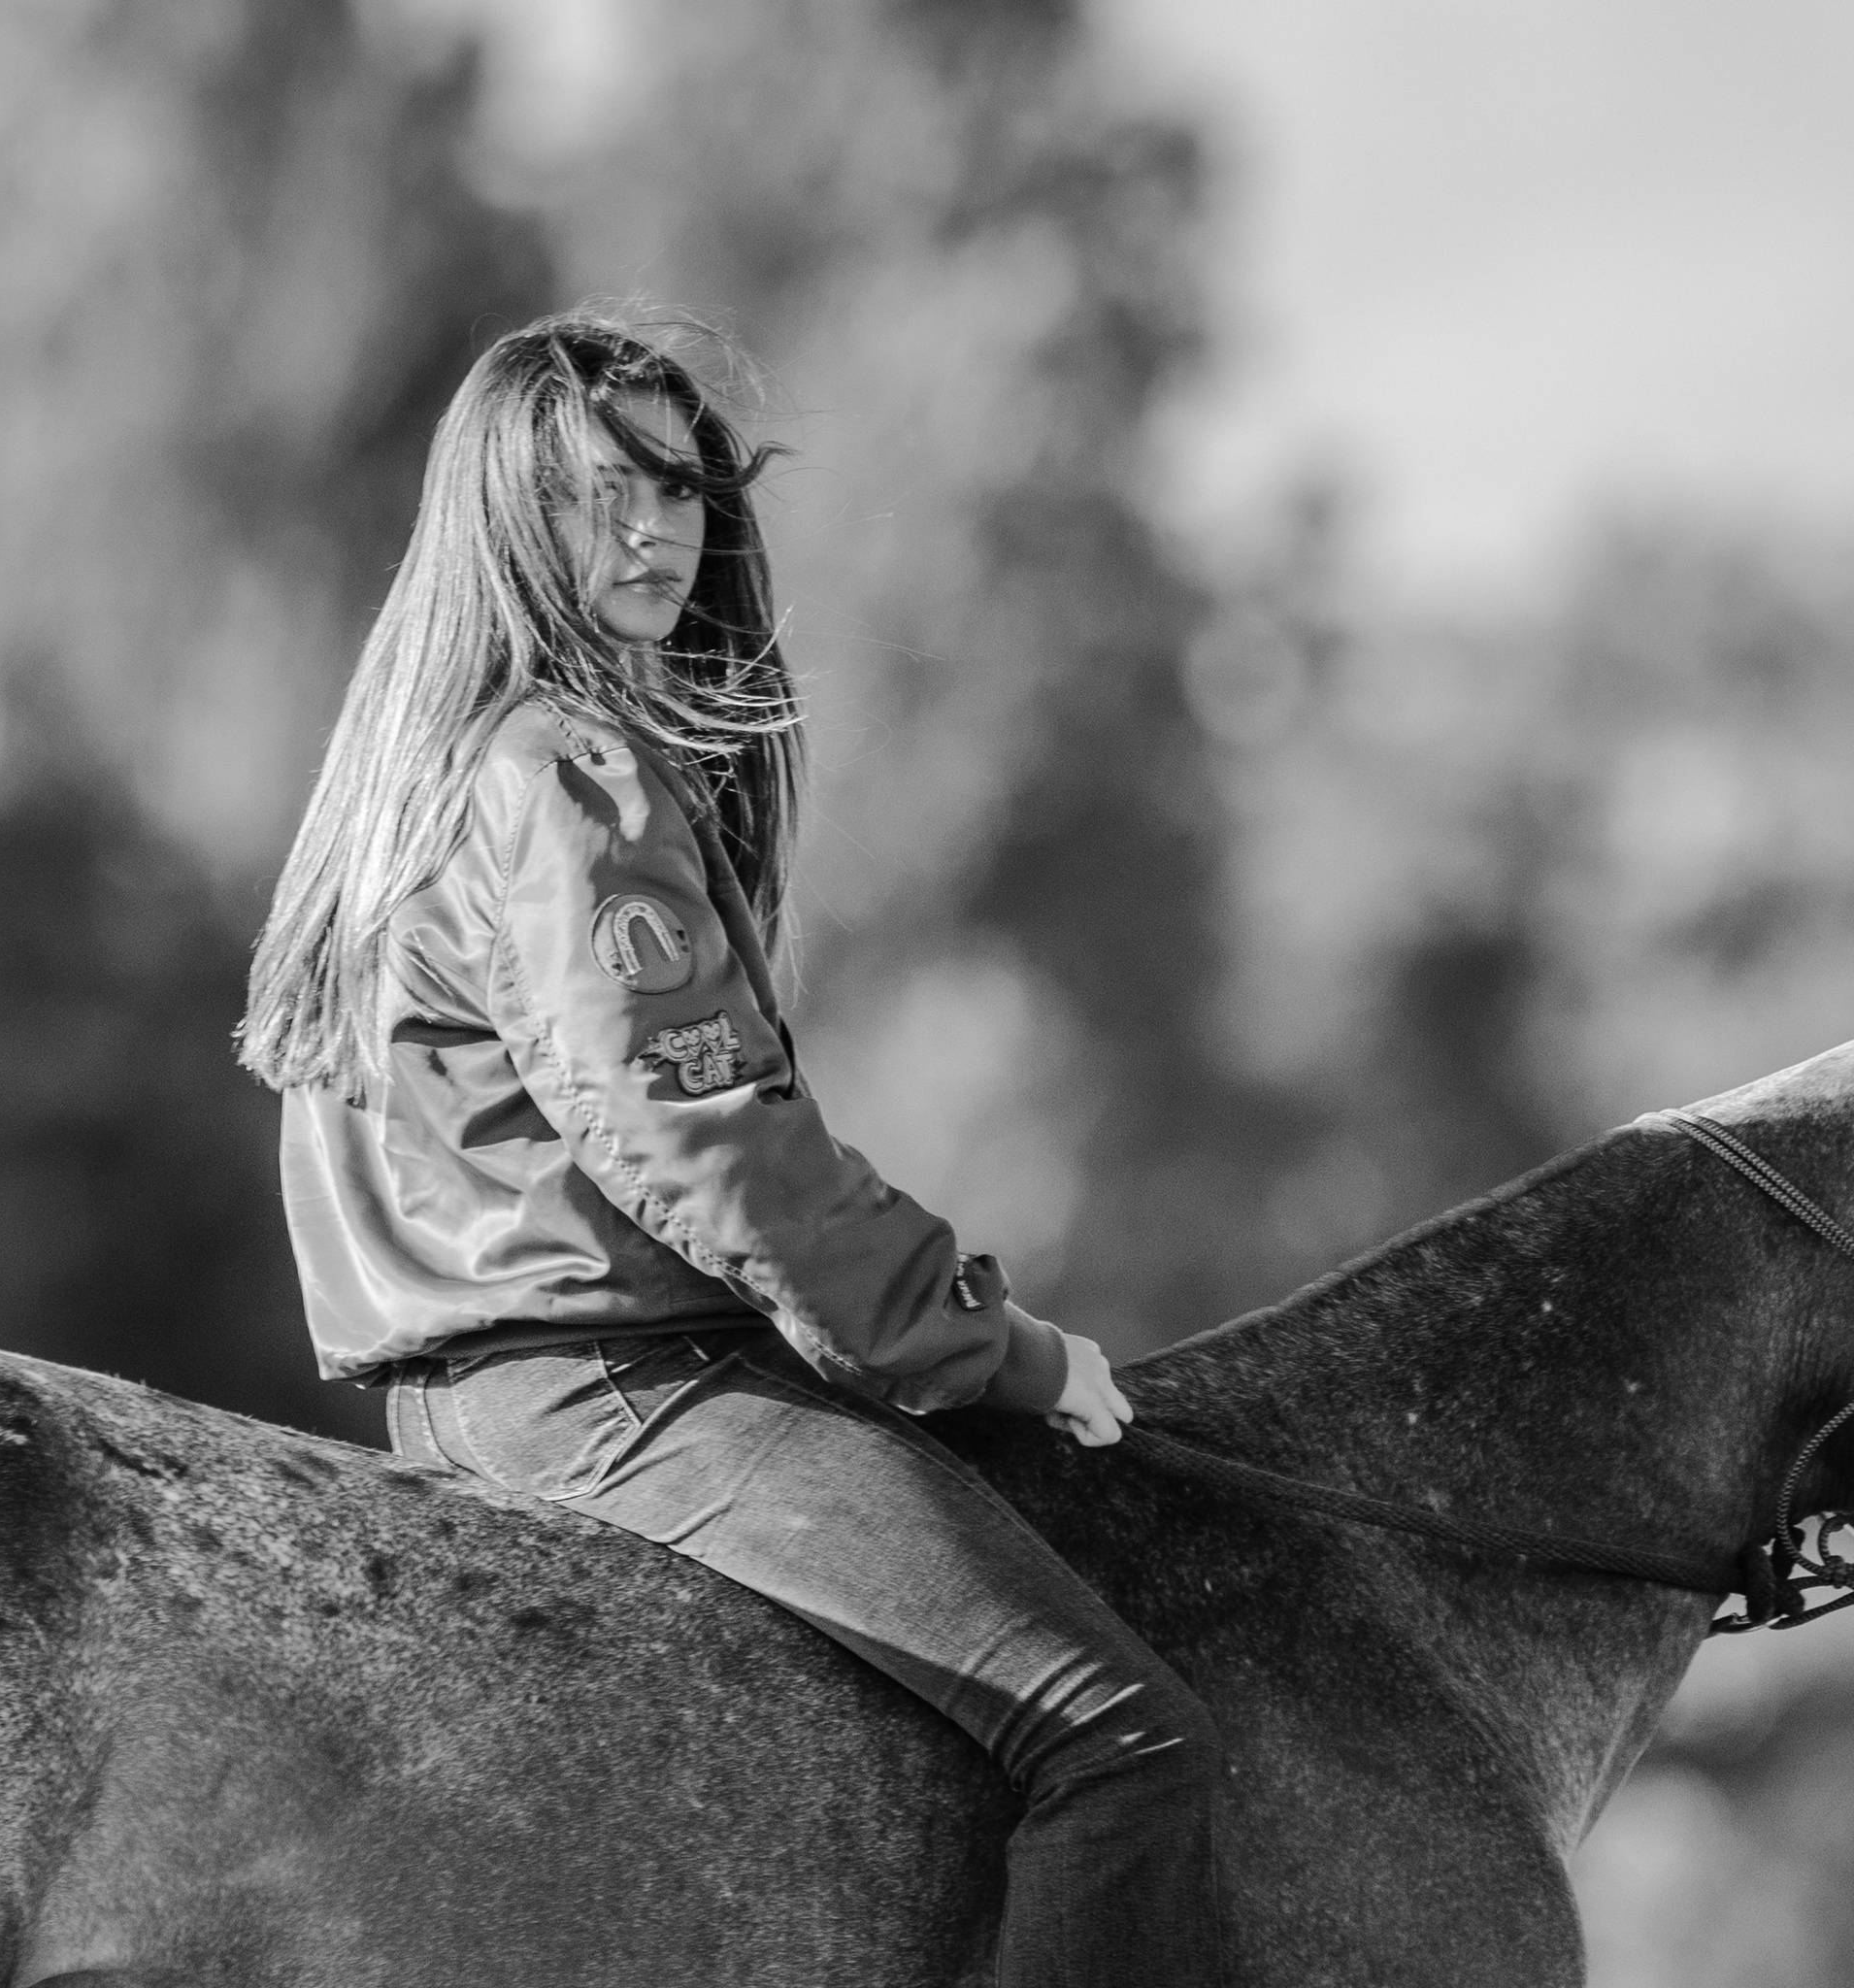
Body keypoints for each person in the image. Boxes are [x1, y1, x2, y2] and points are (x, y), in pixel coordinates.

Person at [239, 309, 1223, 1987]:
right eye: (593, 495)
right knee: (1126, 1741)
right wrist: (1001, 1348)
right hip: (620, 1393)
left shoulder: (416, 774)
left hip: (464, 1396)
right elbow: (709, 1148)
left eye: (678, 489)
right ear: (504, 520)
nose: (650, 531)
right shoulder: (566, 775)